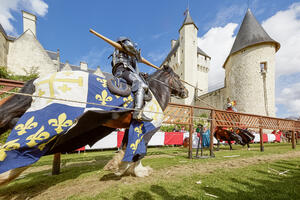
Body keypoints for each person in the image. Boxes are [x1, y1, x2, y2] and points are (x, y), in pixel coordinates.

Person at [111, 37, 152, 121]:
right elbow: (129, 46)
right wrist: (138, 55)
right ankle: (137, 112)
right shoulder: (122, 45)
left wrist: (141, 74)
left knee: (144, 85)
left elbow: (134, 69)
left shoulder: (130, 56)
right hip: (123, 70)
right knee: (141, 85)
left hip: (127, 70)